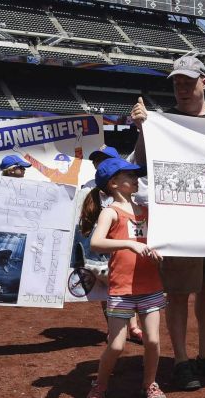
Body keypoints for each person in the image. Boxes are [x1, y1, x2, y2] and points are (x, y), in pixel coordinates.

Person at [130, 55, 205, 391]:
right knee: (177, 293)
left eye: (188, 81)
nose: (182, 88)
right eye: (177, 82)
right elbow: (144, 163)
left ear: (204, 81)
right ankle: (180, 360)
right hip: (178, 221)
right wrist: (143, 128)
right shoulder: (163, 120)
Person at [81, 157, 166, 398]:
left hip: (150, 286)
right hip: (122, 288)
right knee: (116, 345)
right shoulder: (110, 212)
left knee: (152, 341)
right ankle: (100, 385)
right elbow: (96, 243)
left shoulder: (146, 210)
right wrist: (129, 244)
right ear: (114, 183)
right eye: (129, 175)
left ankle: (150, 384)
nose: (135, 178)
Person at [80, 146, 145, 344]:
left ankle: (132, 327)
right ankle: (115, 327)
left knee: (128, 287)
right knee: (107, 290)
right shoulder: (89, 186)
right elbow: (86, 222)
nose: (99, 162)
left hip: (125, 248)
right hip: (105, 249)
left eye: (104, 159)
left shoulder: (127, 188)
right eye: (96, 159)